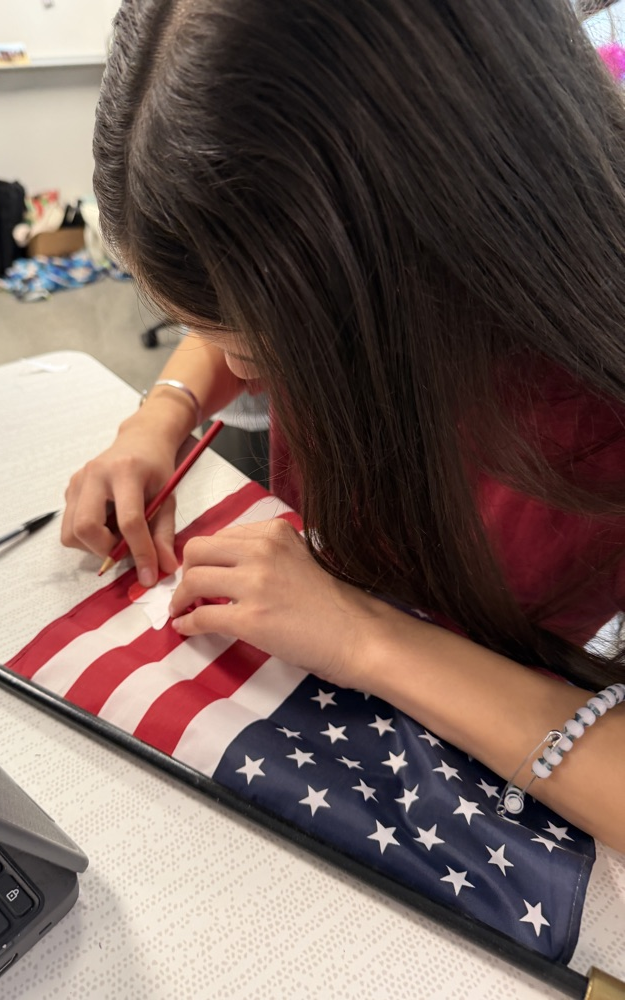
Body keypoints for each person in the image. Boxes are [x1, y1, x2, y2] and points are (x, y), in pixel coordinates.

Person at [62, 0, 625, 851]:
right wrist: (161, 414)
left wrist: (362, 637)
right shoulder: (367, 266)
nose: (247, 376)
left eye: (272, 343)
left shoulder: (588, 378)